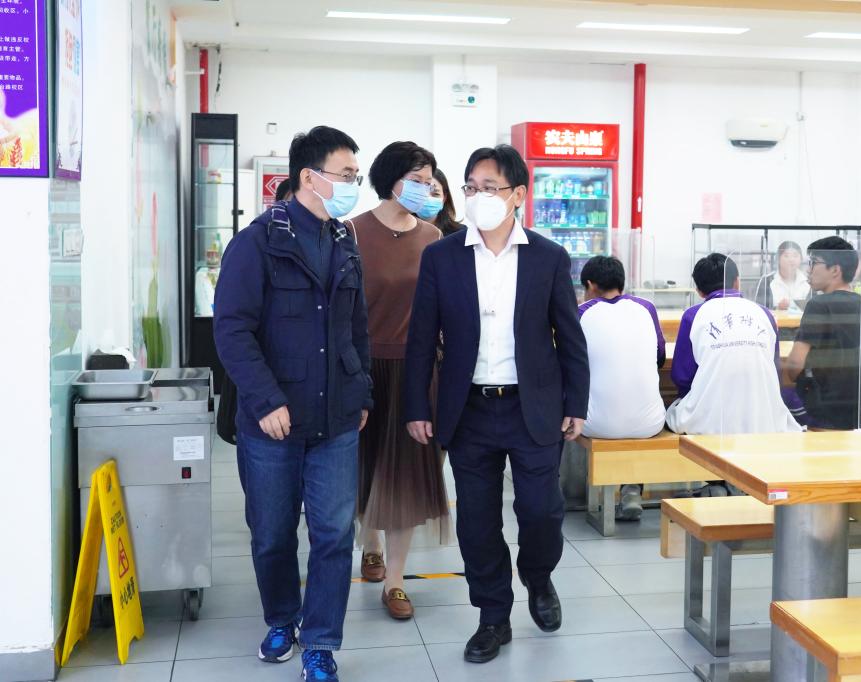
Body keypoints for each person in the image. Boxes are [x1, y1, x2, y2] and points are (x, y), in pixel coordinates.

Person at [404, 144, 589, 664]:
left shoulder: (548, 257)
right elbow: (422, 338)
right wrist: (417, 406)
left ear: (518, 195)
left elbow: (569, 337)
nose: (477, 196)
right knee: (477, 521)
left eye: (489, 187)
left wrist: (576, 402)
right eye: (471, 187)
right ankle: (492, 616)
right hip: (469, 409)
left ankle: (539, 576)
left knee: (541, 511)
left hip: (534, 407)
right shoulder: (442, 256)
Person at [213, 126, 370, 682]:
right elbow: (232, 331)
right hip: (272, 422)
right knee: (272, 533)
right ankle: (282, 618)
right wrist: (264, 400)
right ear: (309, 177)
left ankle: (321, 643)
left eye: (355, 176)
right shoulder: (256, 243)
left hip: (336, 418)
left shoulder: (345, 240)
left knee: (334, 535)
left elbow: (357, 327)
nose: (353, 185)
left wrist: (362, 390)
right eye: (346, 175)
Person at [346, 141, 450, 620]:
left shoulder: (433, 236)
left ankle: (395, 580)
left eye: (430, 181)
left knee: (405, 475)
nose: (427, 189)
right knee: (364, 466)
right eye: (418, 180)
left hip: (416, 369)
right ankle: (370, 544)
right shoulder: (351, 231)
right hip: (364, 367)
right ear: (392, 180)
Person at [667, 253, 800, 437]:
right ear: (737, 282)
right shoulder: (764, 314)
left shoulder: (693, 315)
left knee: (672, 411)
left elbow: (681, 376)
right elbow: (774, 369)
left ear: (699, 290)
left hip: (710, 421)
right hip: (762, 418)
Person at [577, 255, 666, 520]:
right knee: (636, 405)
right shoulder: (646, 308)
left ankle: (572, 490)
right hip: (651, 424)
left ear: (590, 285)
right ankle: (631, 490)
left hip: (594, 425)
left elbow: (571, 364)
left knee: (581, 403)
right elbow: (660, 357)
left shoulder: (581, 312)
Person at [785, 236, 861, 430]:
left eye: (814, 263)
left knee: (781, 396)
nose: (808, 269)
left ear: (835, 270)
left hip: (829, 414)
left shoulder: (818, 305)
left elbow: (794, 366)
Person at [754, 241, 811, 312]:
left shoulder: (809, 282)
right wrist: (777, 308)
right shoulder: (767, 281)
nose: (791, 259)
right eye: (786, 256)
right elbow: (758, 310)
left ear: (801, 259)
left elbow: (815, 311)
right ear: (778, 259)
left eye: (795, 255)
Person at [426, 168, 464, 236]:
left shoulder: (460, 233)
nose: (428, 198)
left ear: (444, 198)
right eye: (423, 193)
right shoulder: (405, 232)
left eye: (436, 194)